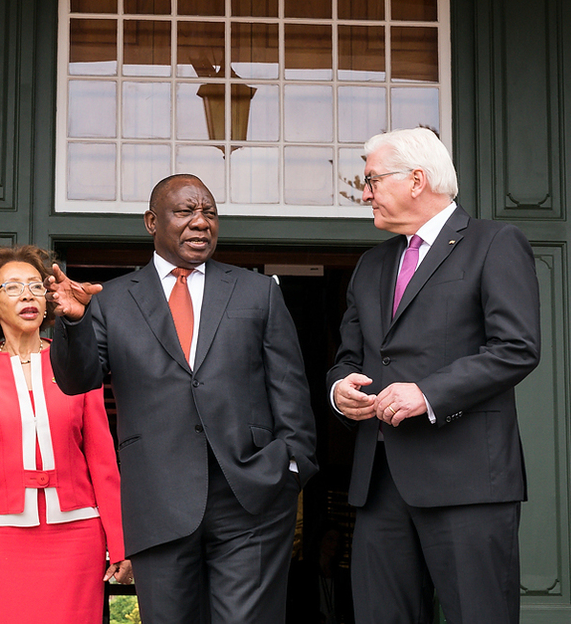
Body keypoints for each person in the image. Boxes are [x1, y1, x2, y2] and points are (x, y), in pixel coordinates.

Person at [47, 174, 318, 624]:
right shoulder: (111, 300)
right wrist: (74, 322)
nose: (201, 222)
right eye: (186, 212)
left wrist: (291, 466)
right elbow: (78, 381)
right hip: (158, 497)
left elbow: (290, 388)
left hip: (250, 494)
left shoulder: (257, 291)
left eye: (209, 212)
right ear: (152, 222)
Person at [327, 127, 541, 623]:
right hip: (379, 484)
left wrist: (428, 393)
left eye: (372, 180)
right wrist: (341, 391)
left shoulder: (494, 243)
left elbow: (517, 349)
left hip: (468, 483)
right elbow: (348, 357)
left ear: (416, 179)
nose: (364, 194)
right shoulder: (370, 264)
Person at [0, 245, 131, 623]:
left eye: (35, 286)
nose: (28, 295)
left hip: (76, 534)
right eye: (12, 288)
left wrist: (120, 542)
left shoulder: (80, 364)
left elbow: (102, 460)